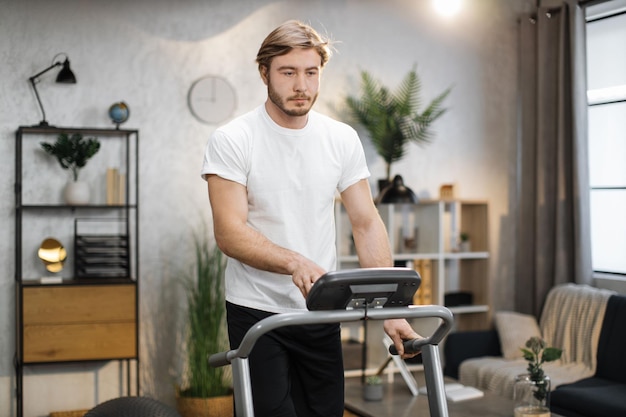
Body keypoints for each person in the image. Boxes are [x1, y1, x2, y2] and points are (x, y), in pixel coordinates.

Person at [201, 19, 421, 417]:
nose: (301, 85)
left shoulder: (340, 139)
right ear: (264, 72)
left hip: (320, 311)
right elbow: (229, 232)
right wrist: (295, 262)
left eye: (311, 72)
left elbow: (366, 223)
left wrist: (392, 311)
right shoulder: (234, 139)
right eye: (288, 72)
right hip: (258, 311)